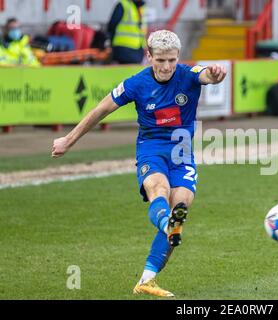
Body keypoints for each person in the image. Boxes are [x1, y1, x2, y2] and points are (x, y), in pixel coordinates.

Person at [51, 30, 227, 297]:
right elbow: (101, 110)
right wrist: (69, 139)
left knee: (181, 205)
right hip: (151, 149)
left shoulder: (188, 75)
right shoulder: (136, 83)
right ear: (149, 56)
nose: (167, 66)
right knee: (159, 189)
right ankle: (168, 224)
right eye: (160, 60)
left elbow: (205, 74)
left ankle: (146, 280)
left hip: (182, 153)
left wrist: (213, 75)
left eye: (171, 60)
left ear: (178, 57)